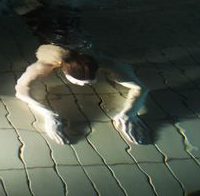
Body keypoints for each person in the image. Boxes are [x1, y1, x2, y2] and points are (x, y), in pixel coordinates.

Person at [15, 44, 151, 145]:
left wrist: (129, 113)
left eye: (90, 82)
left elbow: (141, 88)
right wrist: (49, 114)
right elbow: (20, 90)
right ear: (63, 70)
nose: (83, 86)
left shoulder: (108, 63)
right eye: (80, 83)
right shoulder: (46, 63)